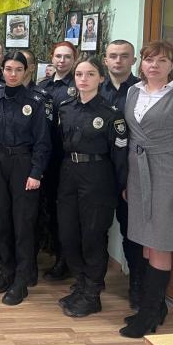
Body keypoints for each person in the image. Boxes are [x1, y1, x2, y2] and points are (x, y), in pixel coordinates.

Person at [120, 40, 173, 338]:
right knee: (146, 243)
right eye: (148, 59)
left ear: (171, 64)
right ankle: (157, 307)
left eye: (162, 60)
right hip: (138, 175)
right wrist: (128, 182)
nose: (154, 65)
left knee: (159, 244)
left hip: (169, 176)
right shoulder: (133, 91)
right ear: (141, 63)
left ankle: (147, 315)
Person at [56, 57, 128, 318]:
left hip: (97, 176)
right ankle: (81, 283)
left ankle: (92, 294)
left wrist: (122, 185)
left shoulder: (111, 114)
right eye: (79, 74)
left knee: (93, 236)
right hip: (69, 174)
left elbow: (120, 155)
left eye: (90, 74)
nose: (83, 79)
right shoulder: (65, 108)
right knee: (68, 234)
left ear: (101, 78)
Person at [0, 52, 51, 306]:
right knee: (2, 221)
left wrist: (36, 172)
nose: (13, 74)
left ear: (26, 72)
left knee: (23, 224)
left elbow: (43, 142)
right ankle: (6, 272)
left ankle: (22, 279)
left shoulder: (36, 101)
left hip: (24, 163)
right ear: (2, 70)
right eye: (8, 69)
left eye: (18, 69)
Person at [100, 39, 141, 309]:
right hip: (100, 172)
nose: (118, 61)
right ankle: (94, 280)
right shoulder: (95, 88)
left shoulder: (141, 91)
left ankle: (137, 284)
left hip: (131, 173)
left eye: (124, 56)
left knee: (131, 231)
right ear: (105, 60)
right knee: (96, 229)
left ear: (133, 60)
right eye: (113, 56)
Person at [38, 41, 78, 281]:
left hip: (68, 157)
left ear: (74, 59)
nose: (62, 61)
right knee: (51, 209)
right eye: (58, 56)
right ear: (52, 58)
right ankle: (56, 254)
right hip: (46, 157)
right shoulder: (43, 86)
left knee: (66, 212)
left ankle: (66, 260)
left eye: (67, 57)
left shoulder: (78, 85)